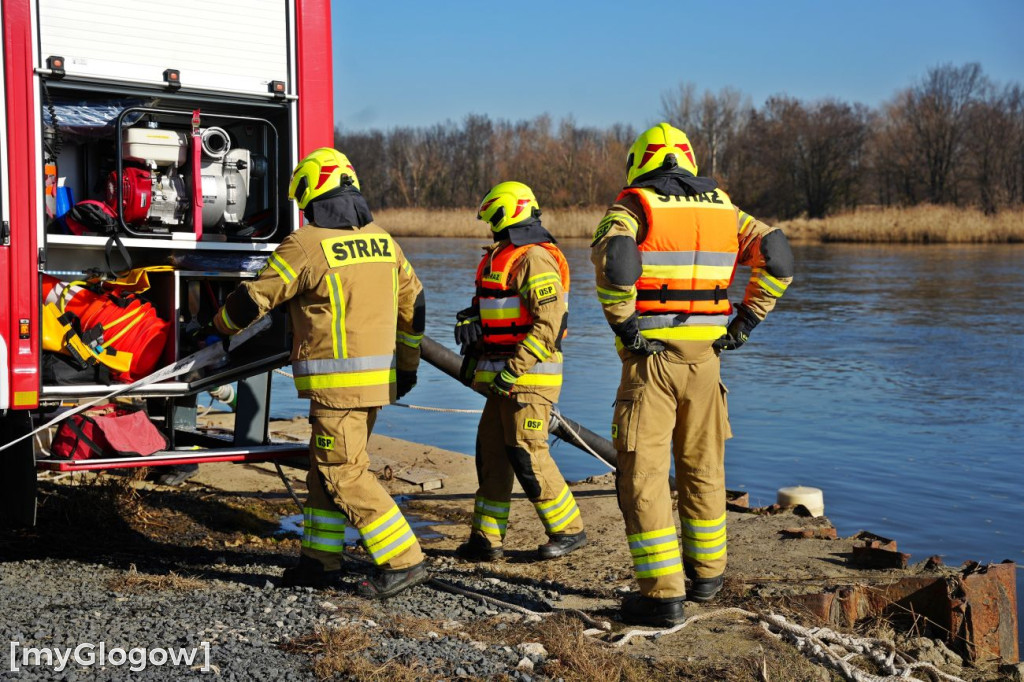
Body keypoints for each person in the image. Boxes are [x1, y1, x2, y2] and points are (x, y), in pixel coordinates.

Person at [591, 123, 794, 626]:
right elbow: (779, 255)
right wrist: (746, 320)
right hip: (706, 361)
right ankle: (706, 576)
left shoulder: (636, 206)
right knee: (704, 468)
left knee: (644, 476)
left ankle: (662, 596)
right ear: (687, 159)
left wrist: (627, 326)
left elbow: (616, 261)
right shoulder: (726, 208)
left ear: (642, 160)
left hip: (653, 362)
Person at [213, 148, 429, 599]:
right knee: (322, 472)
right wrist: (406, 369)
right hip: (376, 383)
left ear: (312, 193)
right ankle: (319, 561)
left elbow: (256, 298)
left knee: (344, 474)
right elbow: (415, 306)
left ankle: (403, 560)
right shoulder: (385, 240)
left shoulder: (307, 243)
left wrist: (213, 328)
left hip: (338, 389)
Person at [454, 181, 586, 562]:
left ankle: (569, 530)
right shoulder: (504, 256)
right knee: (491, 454)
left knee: (528, 453)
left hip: (528, 377)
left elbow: (548, 323)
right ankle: (486, 540)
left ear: (507, 212)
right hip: (502, 378)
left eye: (492, 217)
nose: (489, 227)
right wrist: (471, 318)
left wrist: (512, 370)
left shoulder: (535, 258)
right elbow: (499, 308)